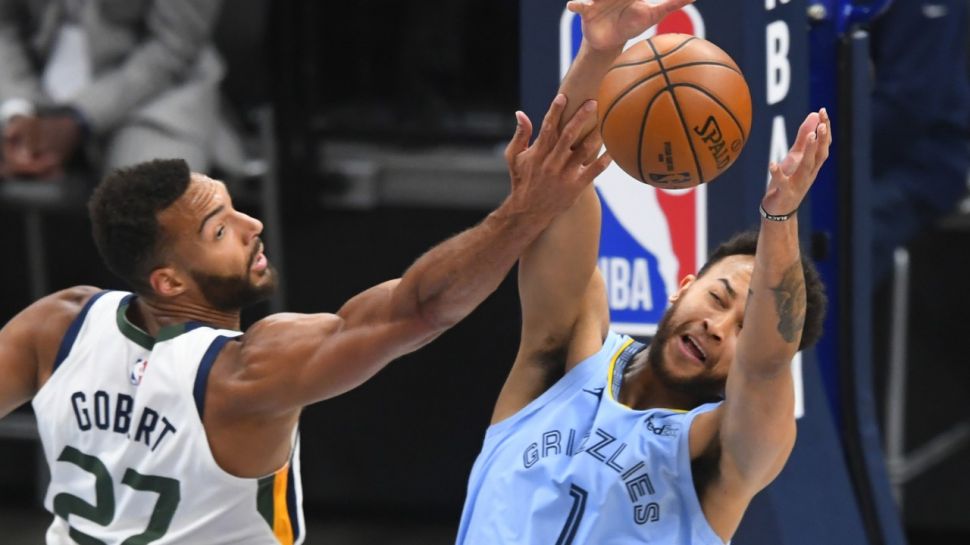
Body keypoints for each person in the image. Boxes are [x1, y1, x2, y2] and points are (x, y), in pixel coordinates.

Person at [0, 90, 610, 542]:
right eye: (220, 230)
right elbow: (418, 309)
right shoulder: (241, 374)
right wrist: (524, 212)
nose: (252, 224)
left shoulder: (56, 326)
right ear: (169, 281)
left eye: (233, 208)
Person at [455, 1, 830, 543]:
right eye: (719, 298)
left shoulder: (717, 456)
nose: (718, 327)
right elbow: (559, 177)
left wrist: (779, 216)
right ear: (684, 288)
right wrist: (600, 51)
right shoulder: (562, 360)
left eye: (744, 330)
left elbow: (767, 365)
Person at [0, 0, 233, 179]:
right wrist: (17, 109)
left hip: (155, 100)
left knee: (148, 199)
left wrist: (79, 117)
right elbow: (5, 25)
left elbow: (174, 48)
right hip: (33, 87)